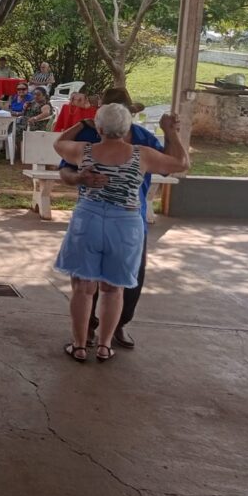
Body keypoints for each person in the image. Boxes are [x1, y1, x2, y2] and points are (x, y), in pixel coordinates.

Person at [53, 104, 188, 362]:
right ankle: (104, 346)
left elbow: (59, 143)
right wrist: (171, 132)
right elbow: (181, 162)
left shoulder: (85, 150)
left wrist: (83, 123)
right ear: (128, 129)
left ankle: (79, 345)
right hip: (126, 224)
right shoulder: (143, 154)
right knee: (114, 289)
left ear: (99, 128)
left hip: (88, 220)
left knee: (83, 287)